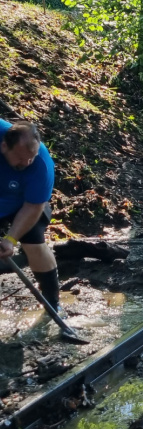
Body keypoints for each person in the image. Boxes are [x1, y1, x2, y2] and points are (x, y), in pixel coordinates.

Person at [0, 120, 61, 314]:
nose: (26, 163)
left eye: (30, 158)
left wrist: (10, 239)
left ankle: (53, 302)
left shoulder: (41, 164)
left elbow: (33, 206)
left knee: (34, 243)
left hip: (23, 204)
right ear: (4, 146)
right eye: (20, 158)